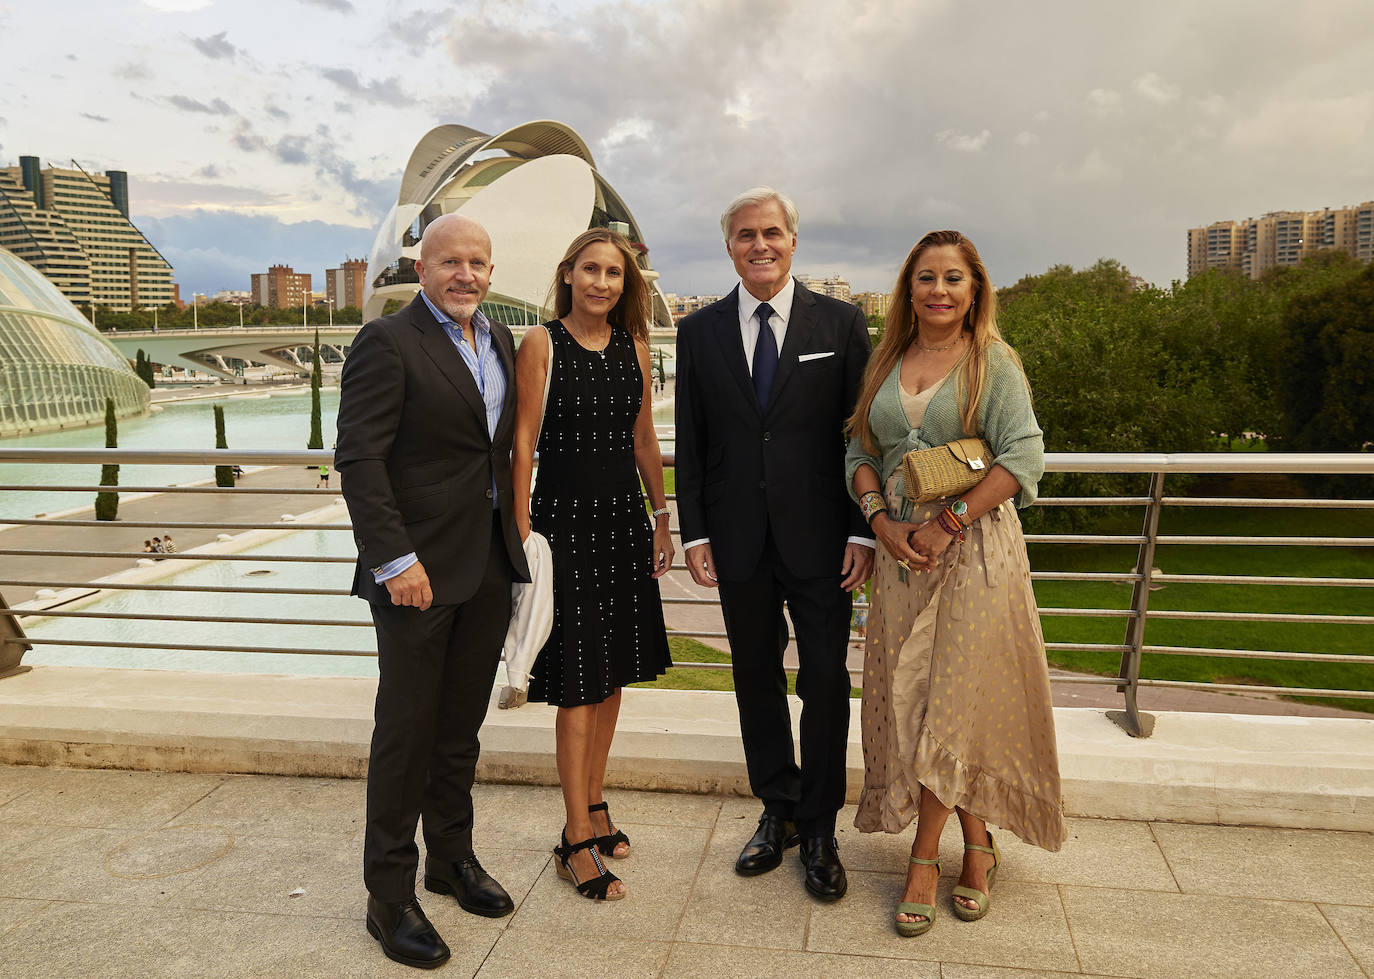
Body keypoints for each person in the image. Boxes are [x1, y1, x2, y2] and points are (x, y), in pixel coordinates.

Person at [845, 230, 1065, 938]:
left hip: (971, 552)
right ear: (909, 289)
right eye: (926, 278)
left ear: (974, 291)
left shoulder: (992, 362)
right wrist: (879, 520)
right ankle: (978, 844)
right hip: (903, 555)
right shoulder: (889, 359)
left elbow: (1024, 455)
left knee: (948, 700)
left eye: (953, 278)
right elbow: (860, 448)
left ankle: (924, 858)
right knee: (923, 698)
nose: (938, 289)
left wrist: (949, 521)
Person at [336, 213, 530, 970]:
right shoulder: (388, 341)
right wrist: (395, 561)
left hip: (484, 563)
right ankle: (389, 895)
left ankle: (450, 858)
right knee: (406, 733)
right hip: (414, 573)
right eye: (451, 261)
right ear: (422, 269)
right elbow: (360, 458)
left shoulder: (499, 339)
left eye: (478, 262)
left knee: (458, 727)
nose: (466, 274)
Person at [675, 187, 873, 901]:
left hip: (824, 540)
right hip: (736, 540)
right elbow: (692, 444)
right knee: (754, 678)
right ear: (729, 246)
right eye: (745, 235)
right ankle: (779, 807)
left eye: (772, 233)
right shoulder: (698, 335)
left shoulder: (844, 325)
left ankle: (820, 825)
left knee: (824, 679)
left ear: (795, 241)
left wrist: (862, 527)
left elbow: (862, 437)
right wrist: (694, 529)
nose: (759, 245)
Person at [511, 229, 673, 902]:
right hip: (564, 525)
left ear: (625, 283)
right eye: (591, 269)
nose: (602, 281)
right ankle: (575, 836)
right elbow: (522, 438)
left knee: (612, 678)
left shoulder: (636, 347)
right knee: (578, 684)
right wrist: (520, 529)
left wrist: (662, 515)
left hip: (622, 525)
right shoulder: (541, 344)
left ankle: (597, 802)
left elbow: (643, 437)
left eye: (614, 272)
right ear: (569, 274)